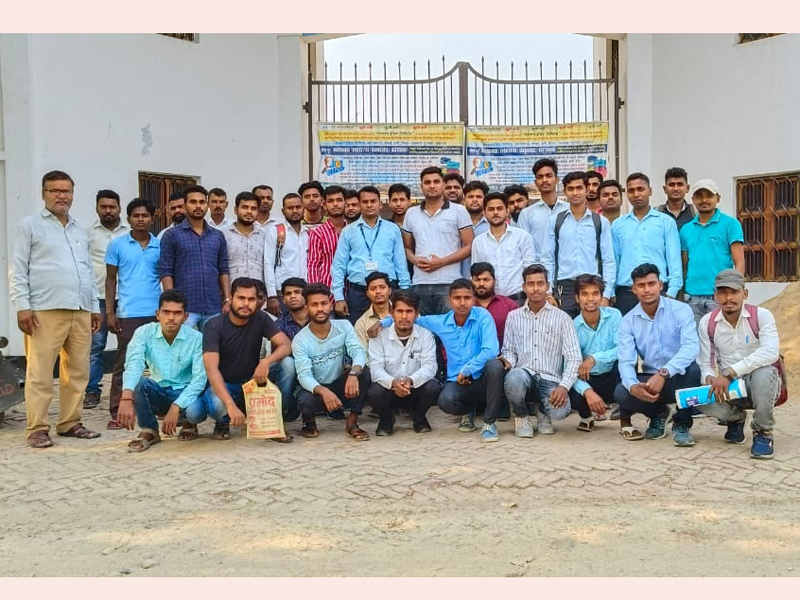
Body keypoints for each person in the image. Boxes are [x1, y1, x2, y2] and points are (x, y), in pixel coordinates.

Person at [10, 170, 102, 448]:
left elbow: (88, 271)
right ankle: (37, 428)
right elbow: (17, 269)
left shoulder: (79, 229)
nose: (61, 196)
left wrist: (94, 307)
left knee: (78, 371)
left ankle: (70, 422)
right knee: (40, 373)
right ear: (44, 194)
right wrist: (22, 306)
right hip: (44, 310)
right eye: (55, 191)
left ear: (72, 195)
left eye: (66, 191)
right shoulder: (29, 226)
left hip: (80, 309)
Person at [375, 279, 504, 443]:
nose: (462, 303)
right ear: (449, 300)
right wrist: (381, 323)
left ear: (474, 299)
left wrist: (467, 370)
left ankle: (489, 423)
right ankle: (468, 411)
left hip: (482, 376)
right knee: (445, 402)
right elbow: (409, 318)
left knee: (495, 365)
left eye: (467, 297)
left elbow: (491, 350)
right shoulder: (441, 322)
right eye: (457, 298)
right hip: (457, 381)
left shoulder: (483, 317)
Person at [697, 270, 782, 459]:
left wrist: (730, 373)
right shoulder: (707, 323)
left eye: (734, 292)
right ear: (715, 295)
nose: (729, 298)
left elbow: (771, 352)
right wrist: (709, 377)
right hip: (730, 389)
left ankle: (763, 432)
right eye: (723, 292)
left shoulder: (761, 316)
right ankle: (735, 418)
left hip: (760, 385)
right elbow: (705, 362)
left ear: (745, 293)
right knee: (698, 394)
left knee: (764, 373)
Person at [613, 263, 700, 446]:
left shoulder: (680, 310)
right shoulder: (628, 321)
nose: (647, 290)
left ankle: (682, 424)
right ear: (634, 289)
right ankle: (659, 413)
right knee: (622, 391)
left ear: (660, 285)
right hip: (651, 381)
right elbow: (626, 361)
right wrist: (633, 386)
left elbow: (691, 347)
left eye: (651, 284)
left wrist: (664, 373)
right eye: (641, 285)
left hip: (678, 376)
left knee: (693, 371)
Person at [202, 277, 295, 441]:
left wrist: (265, 362)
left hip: (253, 381)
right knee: (217, 405)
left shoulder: (260, 318)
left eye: (251, 299)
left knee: (288, 364)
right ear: (231, 298)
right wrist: (230, 405)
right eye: (241, 298)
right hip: (226, 384)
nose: (246, 304)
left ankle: (273, 422)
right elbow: (211, 369)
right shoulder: (214, 325)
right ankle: (223, 422)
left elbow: (285, 345)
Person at [116, 290, 207, 452]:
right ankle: (149, 430)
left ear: (185, 316)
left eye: (177, 313)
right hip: (158, 391)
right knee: (138, 383)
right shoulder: (144, 333)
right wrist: (126, 397)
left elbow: (199, 379)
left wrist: (176, 406)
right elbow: (134, 364)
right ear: (158, 314)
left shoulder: (197, 338)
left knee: (195, 412)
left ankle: (189, 423)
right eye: (166, 312)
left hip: (185, 393)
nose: (171, 318)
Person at [501, 264, 581, 438]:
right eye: (531, 284)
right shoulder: (513, 317)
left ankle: (543, 412)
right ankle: (521, 416)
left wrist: (564, 387)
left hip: (550, 379)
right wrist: (507, 362)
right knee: (513, 379)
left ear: (547, 286)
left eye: (540, 283)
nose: (535, 288)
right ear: (524, 287)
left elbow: (574, 357)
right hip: (524, 374)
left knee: (560, 411)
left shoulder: (562, 318)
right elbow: (509, 350)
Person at [104, 198, 161, 430]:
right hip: (128, 313)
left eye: (145, 215)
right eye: (136, 216)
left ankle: (155, 407)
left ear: (152, 218)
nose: (140, 220)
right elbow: (110, 280)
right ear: (128, 219)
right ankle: (117, 411)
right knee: (124, 363)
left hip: (156, 313)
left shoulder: (160, 245)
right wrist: (110, 312)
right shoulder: (117, 245)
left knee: (157, 364)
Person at [292, 284, 371, 440]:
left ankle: (352, 422)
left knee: (364, 372)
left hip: (339, 385)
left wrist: (353, 373)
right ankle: (309, 423)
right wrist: (323, 391)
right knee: (304, 400)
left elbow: (358, 351)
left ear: (331, 305)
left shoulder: (344, 326)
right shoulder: (300, 340)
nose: (320, 309)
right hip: (316, 390)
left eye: (324, 303)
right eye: (314, 304)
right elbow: (304, 376)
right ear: (306, 308)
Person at [331, 185, 411, 324]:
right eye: (365, 202)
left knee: (390, 331)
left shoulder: (392, 229)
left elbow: (400, 263)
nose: (369, 205)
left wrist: (405, 293)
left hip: (388, 291)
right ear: (359, 205)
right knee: (357, 331)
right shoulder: (348, 231)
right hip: (359, 292)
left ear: (380, 204)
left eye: (373, 201)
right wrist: (339, 297)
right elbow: (338, 265)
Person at [541, 171, 616, 317]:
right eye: (570, 189)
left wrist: (606, 294)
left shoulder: (600, 222)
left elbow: (608, 260)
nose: (575, 193)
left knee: (592, 328)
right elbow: (547, 259)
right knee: (563, 328)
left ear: (587, 189)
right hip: (564, 286)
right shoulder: (555, 221)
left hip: (592, 285)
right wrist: (548, 293)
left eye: (579, 188)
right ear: (564, 191)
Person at [366, 290, 441, 435]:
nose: (404, 316)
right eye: (400, 311)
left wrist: (411, 380)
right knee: (374, 392)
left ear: (416, 314)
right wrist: (393, 382)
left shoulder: (426, 335)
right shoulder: (379, 337)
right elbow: (376, 369)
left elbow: (430, 366)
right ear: (391, 313)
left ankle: (419, 418)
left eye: (409, 311)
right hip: (389, 390)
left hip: (414, 389)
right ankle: (386, 420)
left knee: (433, 386)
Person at [403, 166, 474, 315]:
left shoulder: (458, 211)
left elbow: (469, 246)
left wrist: (442, 262)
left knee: (449, 327)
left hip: (449, 283)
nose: (432, 186)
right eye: (427, 182)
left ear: (443, 185)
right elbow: (407, 248)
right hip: (420, 283)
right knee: (421, 327)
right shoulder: (411, 213)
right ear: (421, 186)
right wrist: (416, 260)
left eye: (436, 181)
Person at [159, 184, 231, 331]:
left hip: (213, 306)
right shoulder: (172, 235)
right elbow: (166, 270)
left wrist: (227, 299)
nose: (198, 206)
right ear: (185, 206)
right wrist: (171, 302)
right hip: (185, 307)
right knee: (183, 344)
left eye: (202, 202)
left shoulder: (217, 236)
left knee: (212, 344)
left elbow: (223, 269)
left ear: (207, 205)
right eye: (193, 202)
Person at [611, 173, 682, 315]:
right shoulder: (618, 225)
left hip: (658, 292)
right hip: (626, 293)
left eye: (640, 189)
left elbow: (674, 260)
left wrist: (671, 293)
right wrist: (611, 291)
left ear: (650, 191)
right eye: (631, 191)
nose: (636, 194)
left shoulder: (665, 222)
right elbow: (614, 262)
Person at [84, 189, 129, 410]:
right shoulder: (88, 234)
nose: (108, 211)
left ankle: (127, 390)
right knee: (95, 346)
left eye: (112, 207)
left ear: (119, 208)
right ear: (97, 208)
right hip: (98, 298)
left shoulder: (130, 232)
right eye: (104, 207)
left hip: (126, 297)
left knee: (128, 346)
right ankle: (92, 390)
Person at [680, 179, 745, 322]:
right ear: (693, 199)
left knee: (721, 334)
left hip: (720, 294)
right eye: (699, 196)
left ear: (718, 198)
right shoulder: (686, 229)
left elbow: (739, 262)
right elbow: (684, 265)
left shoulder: (730, 224)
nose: (704, 200)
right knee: (695, 335)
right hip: (692, 297)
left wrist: (734, 291)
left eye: (709, 196)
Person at [568, 274, 623, 431]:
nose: (590, 299)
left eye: (595, 293)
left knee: (627, 364)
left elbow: (623, 349)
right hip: (588, 378)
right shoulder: (572, 327)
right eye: (585, 294)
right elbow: (568, 366)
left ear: (601, 296)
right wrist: (588, 391)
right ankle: (586, 416)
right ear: (577, 298)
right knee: (568, 384)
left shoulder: (614, 315)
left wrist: (594, 358)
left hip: (612, 375)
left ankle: (626, 418)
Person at [471, 192, 536, 304]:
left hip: (519, 298)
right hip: (490, 301)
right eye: (491, 209)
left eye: (499, 208)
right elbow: (476, 273)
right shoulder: (478, 241)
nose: (495, 212)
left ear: (507, 211)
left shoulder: (522, 236)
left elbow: (530, 269)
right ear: (484, 213)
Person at [264, 193, 309, 316]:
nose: (295, 211)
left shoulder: (308, 233)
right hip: (283, 293)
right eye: (290, 208)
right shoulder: (276, 231)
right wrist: (272, 295)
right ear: (283, 211)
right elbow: (268, 263)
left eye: (298, 207)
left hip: (305, 292)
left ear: (303, 208)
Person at [517, 158, 569, 261]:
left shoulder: (569, 210)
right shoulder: (526, 214)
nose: (544, 180)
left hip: (566, 267)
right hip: (538, 267)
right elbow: (523, 246)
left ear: (557, 180)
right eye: (540, 177)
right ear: (535, 182)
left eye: (549, 176)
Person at [470, 262, 524, 349]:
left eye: (486, 279)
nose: (481, 283)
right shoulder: (465, 306)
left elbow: (520, 335)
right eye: (477, 280)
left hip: (503, 355)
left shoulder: (509, 306)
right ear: (471, 281)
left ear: (494, 281)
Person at [307, 185, 347, 288]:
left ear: (345, 203)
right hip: (327, 289)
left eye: (339, 200)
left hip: (351, 290)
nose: (335, 204)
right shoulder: (318, 233)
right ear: (324, 205)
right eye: (330, 201)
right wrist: (315, 291)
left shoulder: (353, 231)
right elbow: (313, 265)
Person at [222, 191, 268, 282]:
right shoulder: (223, 235)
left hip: (258, 289)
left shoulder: (265, 236)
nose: (249, 211)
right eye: (245, 207)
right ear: (236, 210)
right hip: (232, 289)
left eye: (253, 208)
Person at [354, 271, 393, 351]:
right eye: (373, 289)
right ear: (367, 293)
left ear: (389, 290)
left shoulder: (404, 312)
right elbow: (362, 353)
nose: (378, 291)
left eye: (382, 287)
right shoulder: (361, 323)